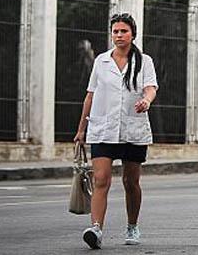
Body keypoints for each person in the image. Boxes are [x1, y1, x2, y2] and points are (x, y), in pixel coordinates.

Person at [74, 13, 159, 249]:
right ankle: (96, 229)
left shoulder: (144, 61)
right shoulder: (101, 61)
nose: (119, 35)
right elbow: (90, 95)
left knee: (131, 182)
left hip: (133, 129)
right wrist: (82, 129)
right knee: (100, 179)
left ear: (133, 34)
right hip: (103, 128)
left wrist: (146, 101)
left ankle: (132, 225)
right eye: (115, 31)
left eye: (123, 31)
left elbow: (151, 87)